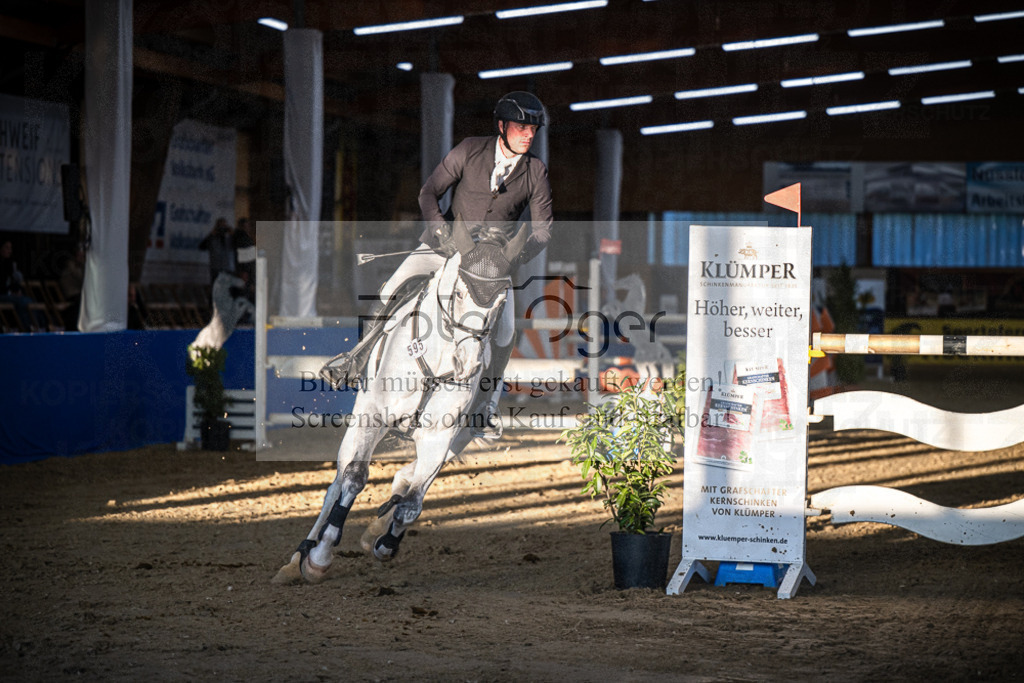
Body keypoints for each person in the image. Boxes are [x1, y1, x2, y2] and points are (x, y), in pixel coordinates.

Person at [326, 91, 554, 438]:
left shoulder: (535, 170)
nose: (528, 134)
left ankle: (486, 406)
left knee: (506, 331)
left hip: (492, 264)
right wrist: (441, 231)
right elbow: (428, 193)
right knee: (389, 290)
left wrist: (510, 259)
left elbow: (542, 231)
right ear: (502, 126)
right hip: (443, 244)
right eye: (521, 127)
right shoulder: (468, 150)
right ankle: (356, 361)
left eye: (533, 129)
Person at [0, 239, 33, 331]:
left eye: (10, 248)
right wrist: (10, 292)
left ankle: (37, 326)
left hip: (8, 293)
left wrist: (17, 291)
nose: (9, 251)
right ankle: (25, 328)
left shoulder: (9, 264)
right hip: (3, 294)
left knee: (29, 300)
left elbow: (13, 281)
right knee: (22, 302)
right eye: (6, 248)